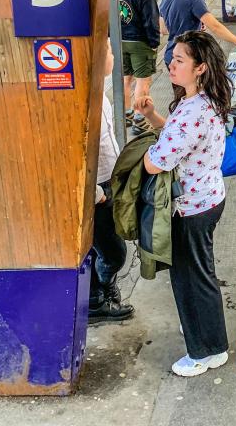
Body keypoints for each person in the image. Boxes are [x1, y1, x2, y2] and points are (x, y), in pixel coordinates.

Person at [138, 31, 232, 378]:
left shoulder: (195, 110)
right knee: (195, 274)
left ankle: (207, 350)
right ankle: (202, 329)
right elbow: (175, 137)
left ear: (200, 68)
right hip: (205, 198)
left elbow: (156, 162)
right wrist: (152, 117)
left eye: (179, 60)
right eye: (172, 57)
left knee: (193, 278)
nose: (171, 64)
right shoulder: (201, 101)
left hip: (192, 207)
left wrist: (140, 155)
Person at [90, 39, 134, 324]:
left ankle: (101, 291)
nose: (113, 56)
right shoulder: (84, 100)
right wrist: (93, 192)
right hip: (98, 190)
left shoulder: (99, 93)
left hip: (109, 182)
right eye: (107, 50)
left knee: (110, 246)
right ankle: (98, 298)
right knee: (113, 252)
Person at [119, 0, 160, 134]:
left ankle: (126, 114)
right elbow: (150, 20)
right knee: (143, 82)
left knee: (125, 79)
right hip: (140, 42)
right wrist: (154, 42)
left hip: (120, 40)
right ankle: (139, 118)